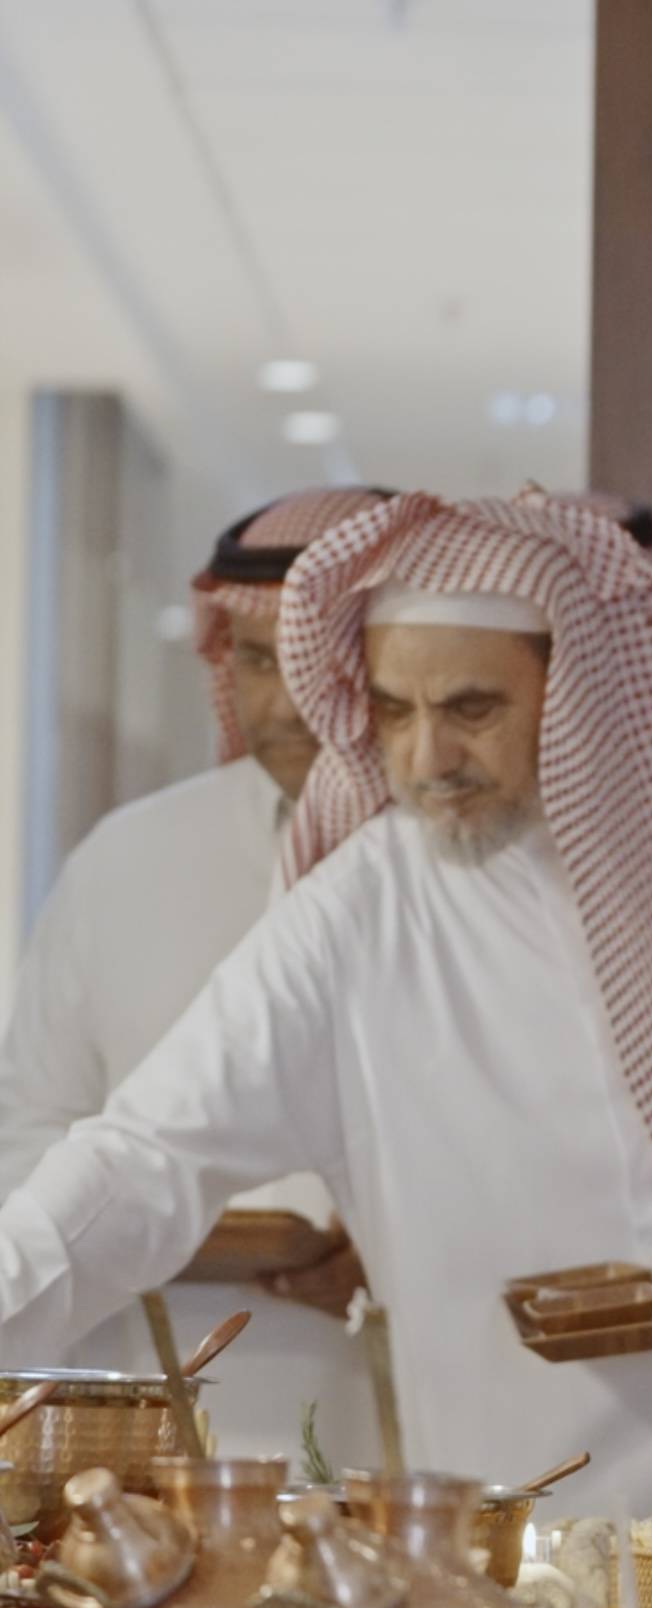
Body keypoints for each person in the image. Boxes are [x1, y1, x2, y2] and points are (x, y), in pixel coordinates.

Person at [0, 491, 652, 1515]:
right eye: (394, 712)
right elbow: (143, 1158)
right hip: (511, 1502)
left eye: (471, 710)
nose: (425, 761)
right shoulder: (360, 908)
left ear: (576, 687)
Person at [0, 489, 390, 1462]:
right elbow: (36, 1130)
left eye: (310, 664)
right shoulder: (127, 858)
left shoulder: (466, 877)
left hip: (425, 1419)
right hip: (154, 1403)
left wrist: (387, 1247)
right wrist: (174, 1232)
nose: (280, 704)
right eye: (253, 660)